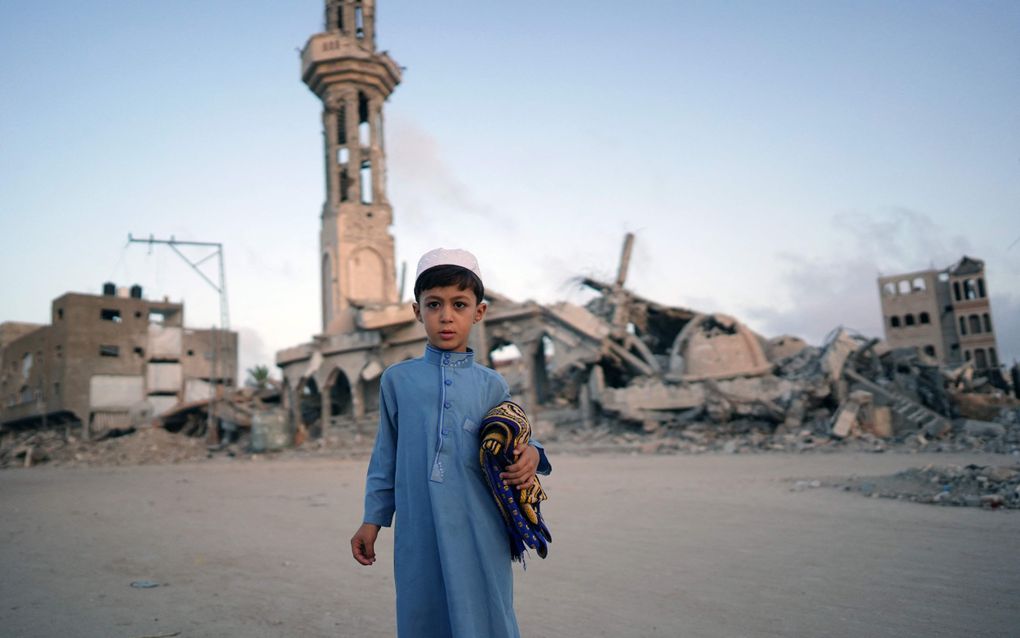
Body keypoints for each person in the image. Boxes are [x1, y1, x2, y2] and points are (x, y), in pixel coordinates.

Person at [350, 247, 552, 638]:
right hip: (418, 523)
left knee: (488, 609)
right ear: (417, 311)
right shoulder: (397, 380)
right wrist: (372, 520)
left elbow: (515, 431)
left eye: (459, 304)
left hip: (480, 524)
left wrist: (533, 454)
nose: (446, 316)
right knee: (422, 608)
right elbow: (385, 456)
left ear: (479, 312)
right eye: (434, 304)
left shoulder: (492, 383)